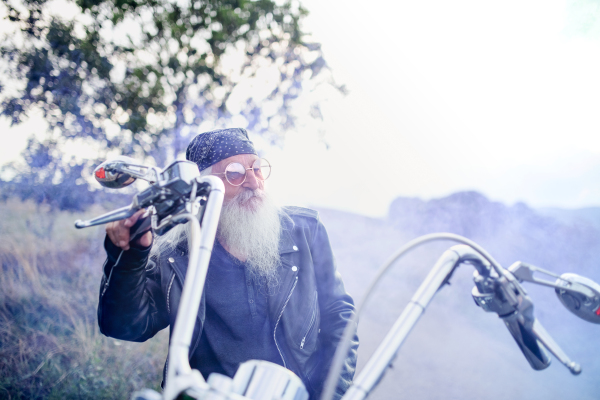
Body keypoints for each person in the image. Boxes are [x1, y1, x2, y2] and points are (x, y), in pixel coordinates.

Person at [98, 128, 358, 400]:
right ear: (203, 188)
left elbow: (338, 314)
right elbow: (124, 327)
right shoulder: (175, 253)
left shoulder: (305, 231)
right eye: (234, 173)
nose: (254, 183)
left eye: (257, 169)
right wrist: (129, 257)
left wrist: (330, 393)